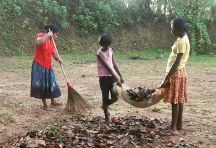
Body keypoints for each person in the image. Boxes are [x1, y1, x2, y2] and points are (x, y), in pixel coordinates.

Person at [160, 18, 190, 135]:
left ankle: (173, 129)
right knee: (179, 99)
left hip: (176, 74)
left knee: (175, 101)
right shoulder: (182, 38)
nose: (171, 31)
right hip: (180, 72)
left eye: (172, 29)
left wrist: (166, 77)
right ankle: (179, 123)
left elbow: (176, 63)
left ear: (178, 29)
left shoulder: (182, 42)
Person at [30, 24, 62, 111]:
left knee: (52, 83)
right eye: (56, 34)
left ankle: (53, 101)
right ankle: (45, 105)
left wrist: (58, 59)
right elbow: (38, 42)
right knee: (42, 84)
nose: (57, 36)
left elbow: (54, 54)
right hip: (39, 65)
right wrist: (47, 35)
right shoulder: (41, 35)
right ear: (52, 33)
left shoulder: (52, 41)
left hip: (48, 65)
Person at [96, 33, 124, 123]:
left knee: (115, 97)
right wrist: (117, 78)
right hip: (103, 78)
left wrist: (120, 76)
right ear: (101, 44)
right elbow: (107, 67)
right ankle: (106, 117)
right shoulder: (99, 54)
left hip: (112, 77)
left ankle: (104, 106)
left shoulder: (111, 50)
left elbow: (114, 64)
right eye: (105, 45)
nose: (106, 47)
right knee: (105, 97)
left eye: (108, 45)